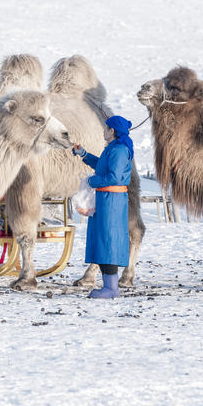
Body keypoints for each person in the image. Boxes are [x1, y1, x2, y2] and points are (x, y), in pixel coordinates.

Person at [72, 115, 133, 298]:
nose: (103, 132)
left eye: (106, 129)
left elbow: (113, 176)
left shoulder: (120, 150)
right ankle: (109, 286)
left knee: (109, 239)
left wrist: (92, 180)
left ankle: (112, 288)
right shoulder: (113, 148)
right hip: (106, 198)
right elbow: (101, 166)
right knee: (104, 238)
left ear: (112, 131)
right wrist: (83, 154)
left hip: (112, 199)